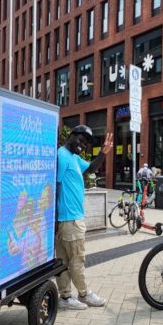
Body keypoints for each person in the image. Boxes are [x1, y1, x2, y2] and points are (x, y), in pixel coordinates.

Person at [56, 125, 114, 310]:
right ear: (72, 136)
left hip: (68, 220)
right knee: (77, 260)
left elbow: (89, 169)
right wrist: (56, 219)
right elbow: (55, 186)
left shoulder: (73, 157)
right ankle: (84, 294)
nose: (82, 145)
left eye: (86, 143)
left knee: (63, 261)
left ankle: (65, 297)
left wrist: (103, 153)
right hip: (70, 220)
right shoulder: (63, 156)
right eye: (80, 140)